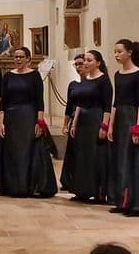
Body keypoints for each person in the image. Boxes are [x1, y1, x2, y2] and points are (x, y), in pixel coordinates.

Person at [0, 47, 57, 198]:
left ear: (28, 59)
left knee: (27, 152)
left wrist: (39, 122)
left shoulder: (34, 76)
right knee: (12, 152)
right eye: (16, 57)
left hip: (28, 116)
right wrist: (1, 123)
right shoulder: (7, 76)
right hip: (11, 118)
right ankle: (12, 185)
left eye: (22, 57)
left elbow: (40, 102)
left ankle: (28, 185)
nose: (18, 59)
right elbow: (3, 102)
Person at [106, 40, 139, 215]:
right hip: (120, 119)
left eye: (119, 52)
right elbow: (116, 101)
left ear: (129, 52)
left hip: (132, 117)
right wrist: (110, 124)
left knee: (132, 161)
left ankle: (135, 202)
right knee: (119, 160)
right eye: (115, 52)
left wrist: (138, 127)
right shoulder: (118, 74)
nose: (116, 55)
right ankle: (121, 200)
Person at [69, 50, 112, 202]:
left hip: (96, 119)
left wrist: (104, 126)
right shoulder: (85, 79)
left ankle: (98, 192)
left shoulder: (104, 80)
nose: (85, 63)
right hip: (83, 121)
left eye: (89, 60)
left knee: (95, 156)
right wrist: (74, 123)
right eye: (84, 60)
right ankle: (82, 190)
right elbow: (80, 103)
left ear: (98, 63)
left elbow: (107, 106)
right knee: (82, 156)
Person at [60, 54, 85, 191]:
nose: (78, 67)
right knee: (72, 151)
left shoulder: (92, 83)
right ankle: (68, 180)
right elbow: (69, 106)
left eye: (81, 63)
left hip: (86, 120)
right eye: (76, 64)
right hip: (73, 120)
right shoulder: (73, 85)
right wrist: (65, 124)